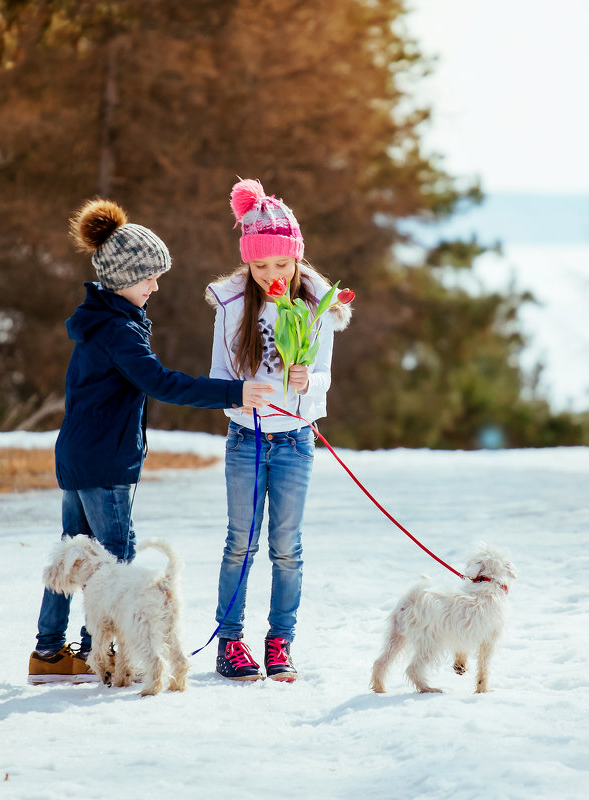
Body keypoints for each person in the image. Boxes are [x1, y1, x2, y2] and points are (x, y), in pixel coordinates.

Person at [28, 198, 274, 685]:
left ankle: (51, 652)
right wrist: (235, 392)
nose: (156, 286)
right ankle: (109, 654)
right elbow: (161, 383)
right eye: (149, 278)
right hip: (104, 464)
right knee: (113, 559)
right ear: (122, 279)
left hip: (78, 457)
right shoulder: (119, 331)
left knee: (71, 554)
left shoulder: (97, 323)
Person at [203, 178, 352, 682]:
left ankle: (280, 638)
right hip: (246, 439)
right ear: (246, 263)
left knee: (286, 545)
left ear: (297, 260)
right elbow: (219, 378)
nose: (272, 275)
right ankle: (231, 642)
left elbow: (326, 377)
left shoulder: (316, 308)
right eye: (260, 265)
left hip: (295, 442)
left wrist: (307, 384)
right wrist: (238, 395)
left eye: (282, 265)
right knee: (240, 544)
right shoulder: (232, 308)